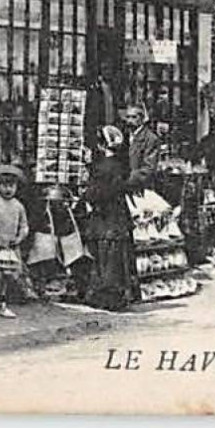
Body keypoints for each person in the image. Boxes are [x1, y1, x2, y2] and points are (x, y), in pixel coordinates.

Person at [82, 125, 136, 310]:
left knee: (105, 255)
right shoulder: (119, 165)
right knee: (116, 255)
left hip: (106, 216)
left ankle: (106, 296)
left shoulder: (103, 167)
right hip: (117, 214)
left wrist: (86, 194)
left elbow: (98, 192)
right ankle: (118, 294)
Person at [0, 165, 30, 318]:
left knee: (7, 276)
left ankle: (2, 304)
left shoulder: (18, 206)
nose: (8, 189)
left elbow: (24, 226)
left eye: (12, 185)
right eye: (4, 185)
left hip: (11, 246)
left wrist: (19, 238)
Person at [124, 105, 162, 189]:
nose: (130, 120)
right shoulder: (124, 136)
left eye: (134, 117)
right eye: (128, 117)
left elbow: (149, 169)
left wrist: (126, 179)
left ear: (142, 119)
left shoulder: (150, 139)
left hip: (140, 189)